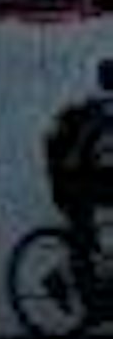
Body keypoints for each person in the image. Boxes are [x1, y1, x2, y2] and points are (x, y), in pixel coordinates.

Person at [48, 65, 113, 321]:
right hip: (75, 183)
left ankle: (96, 296)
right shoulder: (102, 106)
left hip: (85, 180)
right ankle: (71, 287)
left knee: (88, 239)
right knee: (85, 239)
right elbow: (82, 151)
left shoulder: (97, 105)